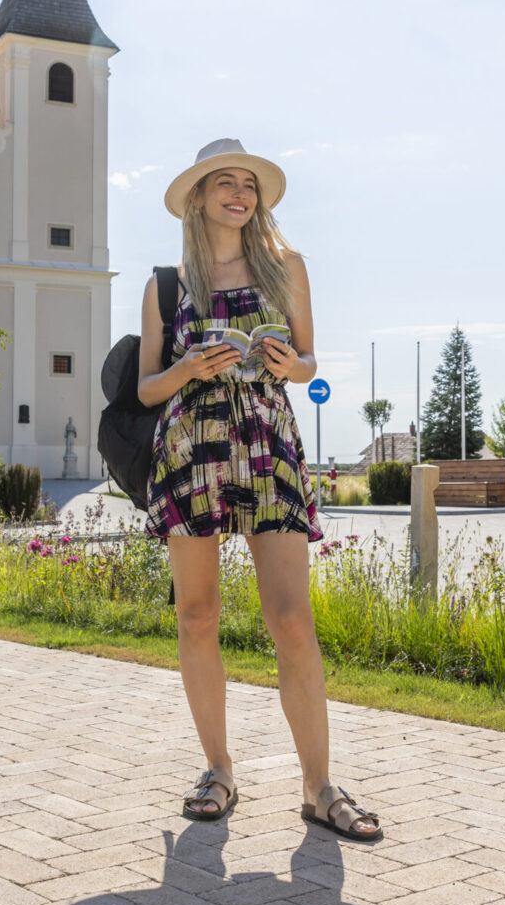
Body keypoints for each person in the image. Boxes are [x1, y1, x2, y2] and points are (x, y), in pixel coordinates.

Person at [137, 138, 381, 843]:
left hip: (267, 446)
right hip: (191, 451)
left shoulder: (286, 267)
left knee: (292, 619)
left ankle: (319, 787)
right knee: (197, 616)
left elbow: (308, 362)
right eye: (225, 182)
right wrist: (188, 367)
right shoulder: (167, 284)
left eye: (249, 183)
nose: (239, 194)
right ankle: (218, 770)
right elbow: (147, 387)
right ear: (199, 196)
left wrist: (286, 361)